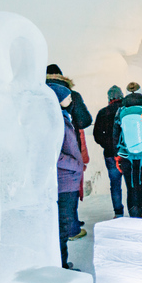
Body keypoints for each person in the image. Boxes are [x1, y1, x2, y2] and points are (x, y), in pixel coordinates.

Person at [46, 64, 92, 238]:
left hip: (46, 159)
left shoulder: (37, 95)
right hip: (70, 144)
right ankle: (70, 225)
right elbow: (85, 120)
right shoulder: (70, 94)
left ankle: (63, 225)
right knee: (71, 184)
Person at [49, 83, 84, 269]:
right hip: (63, 179)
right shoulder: (55, 121)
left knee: (62, 225)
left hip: (65, 178)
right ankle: (60, 267)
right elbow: (51, 153)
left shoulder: (60, 117)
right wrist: (75, 165)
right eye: (67, 96)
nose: (71, 99)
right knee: (61, 226)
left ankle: (61, 264)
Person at [113, 82, 142, 218]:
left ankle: (133, 211)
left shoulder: (120, 111)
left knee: (130, 185)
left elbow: (115, 135)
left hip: (126, 155)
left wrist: (116, 155)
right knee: (141, 184)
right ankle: (139, 209)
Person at [94, 85, 126, 217]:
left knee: (115, 184)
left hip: (110, 154)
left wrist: (107, 145)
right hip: (127, 153)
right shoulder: (127, 111)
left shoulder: (103, 112)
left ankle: (118, 213)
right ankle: (135, 211)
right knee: (132, 184)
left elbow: (97, 135)